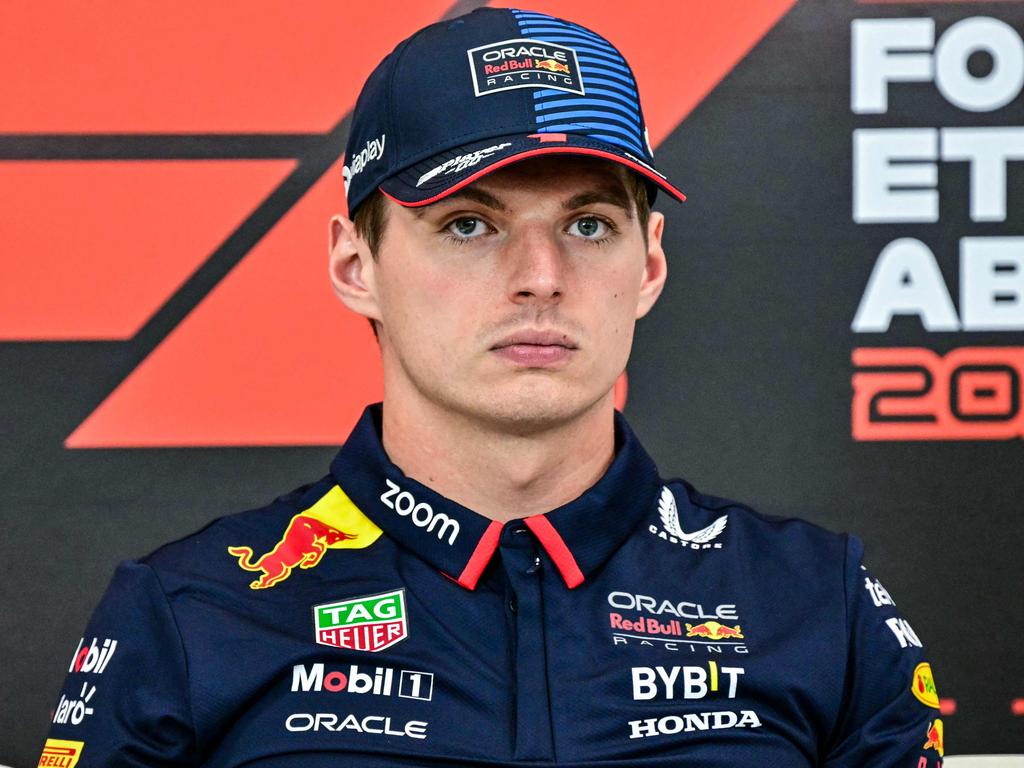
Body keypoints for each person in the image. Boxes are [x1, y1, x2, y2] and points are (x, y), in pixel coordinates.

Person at [39, 7, 944, 767]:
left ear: (651, 266)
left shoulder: (817, 602)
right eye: (470, 225)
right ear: (357, 265)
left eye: (589, 224)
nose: (541, 276)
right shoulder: (193, 611)